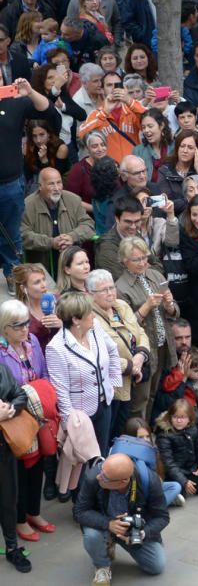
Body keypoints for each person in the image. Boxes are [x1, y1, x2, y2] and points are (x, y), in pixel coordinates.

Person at [0, 299, 54, 543]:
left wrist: (42, 399)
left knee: (38, 465)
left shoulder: (32, 341)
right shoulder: (1, 352)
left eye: (26, 324)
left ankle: (34, 512)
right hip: (14, 417)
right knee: (20, 470)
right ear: (4, 328)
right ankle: (20, 519)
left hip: (37, 413)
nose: (25, 329)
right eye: (18, 325)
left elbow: (43, 374)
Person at [74, 452, 169, 585]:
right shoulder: (93, 477)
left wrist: (143, 533)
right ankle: (102, 566)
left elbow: (162, 517)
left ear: (123, 481)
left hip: (133, 531)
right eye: (101, 470)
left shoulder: (150, 480)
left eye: (104, 478)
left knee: (156, 566)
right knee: (91, 535)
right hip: (104, 524)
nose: (98, 476)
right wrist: (108, 524)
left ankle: (114, 542)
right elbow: (79, 512)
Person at [46, 291, 122, 454]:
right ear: (75, 319)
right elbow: (61, 390)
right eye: (90, 313)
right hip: (80, 416)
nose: (94, 316)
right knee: (82, 466)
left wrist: (113, 384)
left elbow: (113, 350)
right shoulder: (56, 347)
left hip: (104, 405)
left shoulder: (95, 328)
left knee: (100, 457)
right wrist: (70, 425)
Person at [0, 76, 54, 294]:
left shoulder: (14, 101)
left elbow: (47, 111)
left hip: (10, 181)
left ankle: (13, 273)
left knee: (11, 232)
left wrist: (29, 91)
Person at [115, 237, 179, 421]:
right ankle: (137, 436)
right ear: (124, 261)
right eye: (136, 259)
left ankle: (147, 431)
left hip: (161, 345)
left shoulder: (156, 275)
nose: (143, 263)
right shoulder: (120, 287)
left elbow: (174, 311)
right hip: (141, 352)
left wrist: (169, 306)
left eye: (145, 257)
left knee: (153, 394)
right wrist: (146, 307)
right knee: (140, 399)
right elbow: (125, 327)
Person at [87, 268, 148, 439]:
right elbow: (98, 353)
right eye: (104, 290)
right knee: (110, 432)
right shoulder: (89, 317)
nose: (110, 293)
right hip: (112, 385)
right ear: (91, 294)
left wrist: (140, 356)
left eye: (112, 287)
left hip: (133, 377)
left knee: (126, 428)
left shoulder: (122, 306)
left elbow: (140, 333)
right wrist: (131, 366)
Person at [21, 168, 95, 276]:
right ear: (40, 186)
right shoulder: (27, 205)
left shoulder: (73, 200)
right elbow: (23, 234)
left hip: (71, 270)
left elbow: (89, 225)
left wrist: (72, 237)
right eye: (51, 184)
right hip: (42, 271)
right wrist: (50, 242)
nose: (56, 188)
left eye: (59, 183)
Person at [0, 337, 31, 573]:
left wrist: (10, 410)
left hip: (4, 447)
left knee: (8, 499)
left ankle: (12, 548)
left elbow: (20, 394)